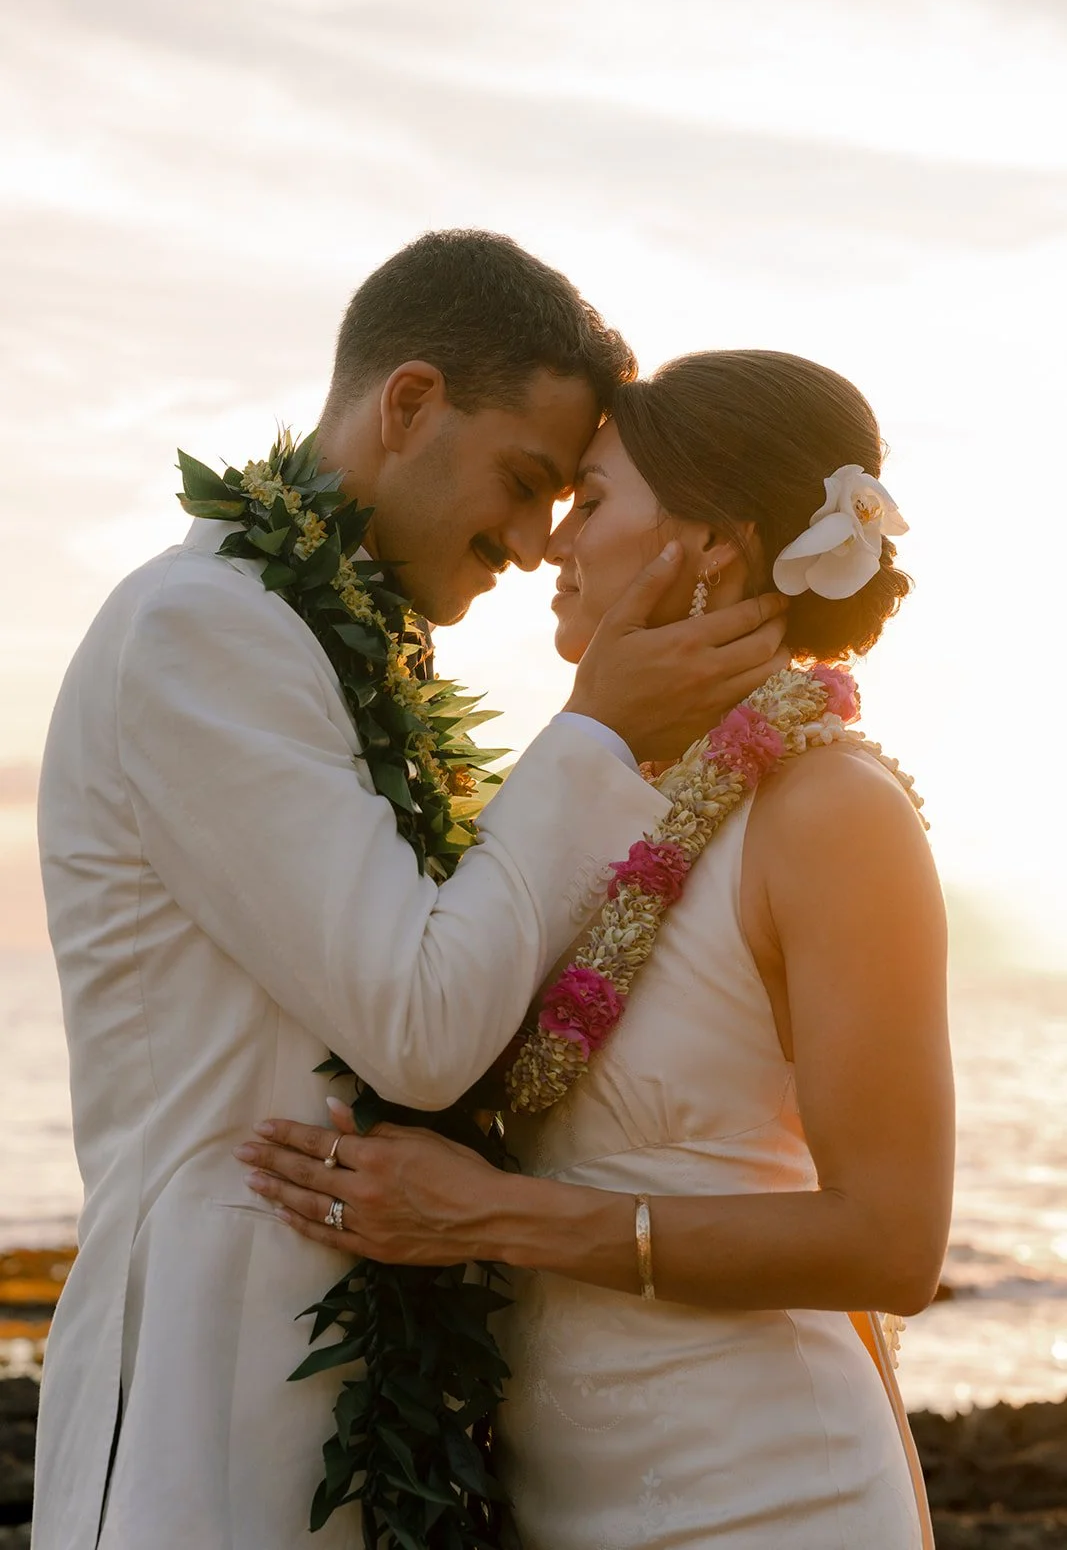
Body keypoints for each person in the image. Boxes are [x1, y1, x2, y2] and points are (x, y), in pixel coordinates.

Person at [32, 237, 788, 1550]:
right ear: (407, 404)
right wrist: (592, 734)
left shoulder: (330, 659)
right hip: (211, 1395)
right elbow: (422, 1029)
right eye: (524, 479)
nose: (532, 539)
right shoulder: (203, 630)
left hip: (374, 1400)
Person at [240, 349, 953, 1549]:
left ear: (710, 544)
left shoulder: (831, 811)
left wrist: (489, 1218)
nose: (548, 546)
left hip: (769, 1495)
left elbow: (890, 1240)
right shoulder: (593, 794)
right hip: (557, 1501)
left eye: (592, 501)